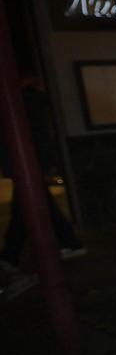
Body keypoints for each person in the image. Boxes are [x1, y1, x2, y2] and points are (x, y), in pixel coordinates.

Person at [1, 77, 86, 276]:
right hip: (29, 164)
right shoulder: (30, 104)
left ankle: (10, 255)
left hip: (26, 164)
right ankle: (68, 242)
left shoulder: (22, 105)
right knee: (33, 205)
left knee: (25, 206)